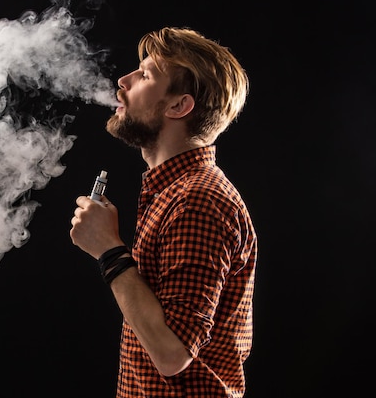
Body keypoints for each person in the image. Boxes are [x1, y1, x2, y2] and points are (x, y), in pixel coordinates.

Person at [70, 27, 258, 397]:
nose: (124, 81)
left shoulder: (198, 201)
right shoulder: (172, 192)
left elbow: (172, 353)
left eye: (145, 74)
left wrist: (109, 250)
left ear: (178, 106)